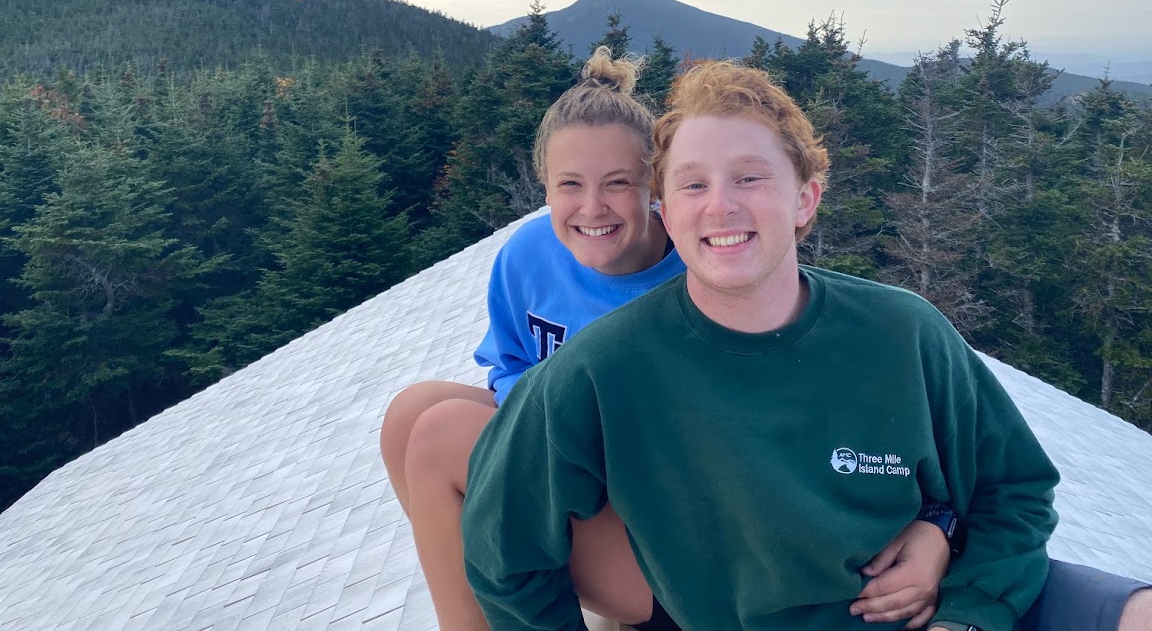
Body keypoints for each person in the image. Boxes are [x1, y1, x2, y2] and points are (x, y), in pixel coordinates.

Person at [461, 60, 1152, 631]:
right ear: (666, 207)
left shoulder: (902, 330)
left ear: (805, 198)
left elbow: (1013, 490)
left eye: (749, 177)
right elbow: (505, 554)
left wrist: (965, 605)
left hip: (959, 600)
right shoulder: (601, 371)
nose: (720, 205)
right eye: (693, 184)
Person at [380, 48, 952, 630]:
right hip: (585, 469)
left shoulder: (704, 276)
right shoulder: (527, 256)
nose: (592, 208)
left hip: (675, 523)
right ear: (545, 187)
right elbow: (509, 366)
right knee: (412, 411)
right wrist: (555, 432)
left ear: (654, 190)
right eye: (570, 184)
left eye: (618, 183)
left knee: (440, 435)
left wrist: (936, 521)